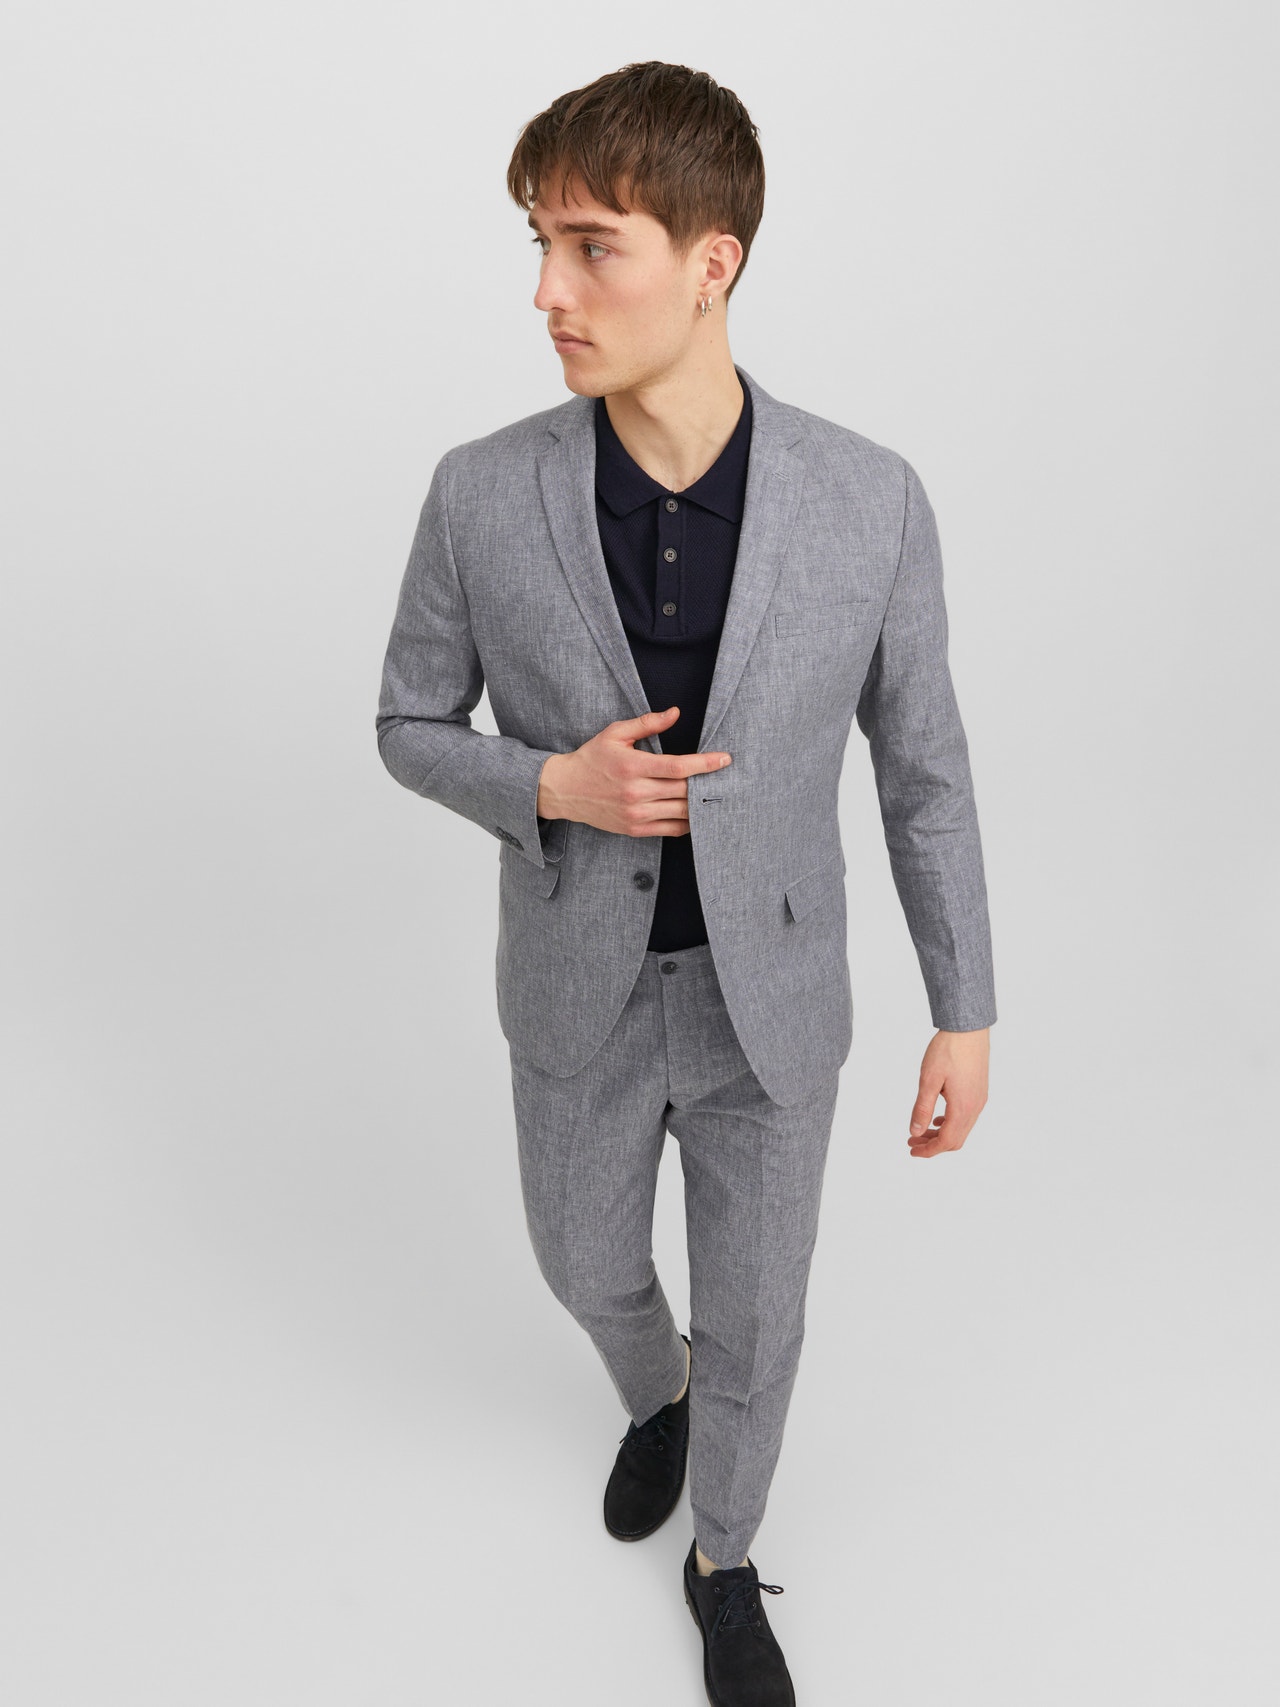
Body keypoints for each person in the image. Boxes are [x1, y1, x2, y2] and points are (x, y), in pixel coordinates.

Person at [376, 60, 996, 1707]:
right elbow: (406, 724)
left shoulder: (871, 500)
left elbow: (925, 771)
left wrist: (967, 1009)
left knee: (764, 1323)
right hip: (575, 989)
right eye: (538, 243)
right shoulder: (478, 490)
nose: (546, 290)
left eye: (592, 247)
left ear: (711, 262)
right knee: (581, 1265)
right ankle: (653, 1393)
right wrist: (550, 785)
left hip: (769, 1002)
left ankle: (725, 1558)